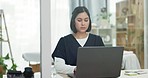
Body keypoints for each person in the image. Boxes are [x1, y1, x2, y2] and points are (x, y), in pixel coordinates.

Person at [52, 6, 104, 75]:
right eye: (79, 20)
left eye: (86, 20)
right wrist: (76, 69)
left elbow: (104, 63)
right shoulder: (64, 41)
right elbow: (59, 67)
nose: (83, 24)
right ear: (73, 21)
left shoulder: (97, 40)